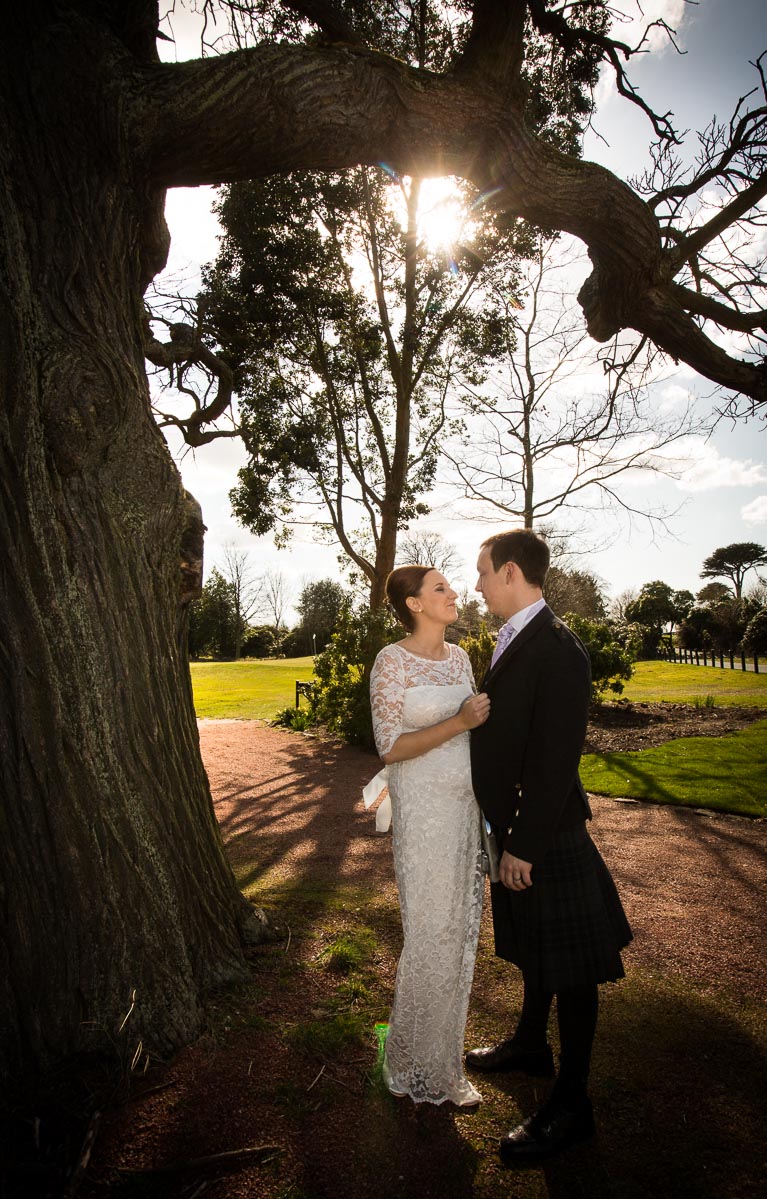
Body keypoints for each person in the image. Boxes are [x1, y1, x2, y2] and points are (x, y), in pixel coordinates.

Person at [468, 529, 632, 1163]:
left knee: (572, 967)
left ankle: (573, 1103)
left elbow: (556, 759)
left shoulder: (559, 648)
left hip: (545, 833)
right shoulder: (516, 636)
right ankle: (531, 1044)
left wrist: (525, 844)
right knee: (539, 948)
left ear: (511, 572)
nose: (478, 585)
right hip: (516, 827)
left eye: (483, 573)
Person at [368, 564, 490, 1106]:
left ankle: (443, 1062)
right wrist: (460, 722)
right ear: (414, 604)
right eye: (440, 588)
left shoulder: (460, 659)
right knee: (428, 932)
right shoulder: (391, 661)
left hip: (465, 810)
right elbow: (390, 747)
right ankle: (408, 1060)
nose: (454, 592)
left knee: (459, 933)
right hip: (423, 813)